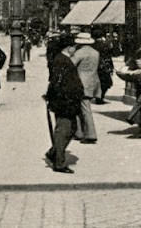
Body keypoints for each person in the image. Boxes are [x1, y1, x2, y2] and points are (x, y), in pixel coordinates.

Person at [45, 33, 84, 174]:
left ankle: (53, 152)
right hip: (65, 102)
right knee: (64, 131)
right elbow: (58, 83)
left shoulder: (61, 59)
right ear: (69, 48)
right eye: (74, 47)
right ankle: (59, 163)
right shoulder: (62, 61)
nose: (75, 49)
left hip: (67, 101)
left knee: (71, 128)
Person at [71, 32, 101, 143]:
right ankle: (79, 132)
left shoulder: (79, 53)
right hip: (92, 81)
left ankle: (90, 134)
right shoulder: (95, 53)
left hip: (80, 82)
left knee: (84, 108)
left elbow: (71, 65)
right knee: (81, 106)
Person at [91, 26, 114, 104]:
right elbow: (108, 56)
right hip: (103, 66)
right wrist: (111, 67)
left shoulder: (92, 45)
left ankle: (97, 96)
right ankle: (100, 97)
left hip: (94, 65)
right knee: (105, 83)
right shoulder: (104, 45)